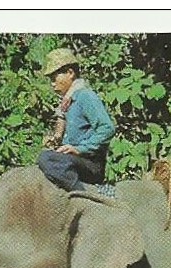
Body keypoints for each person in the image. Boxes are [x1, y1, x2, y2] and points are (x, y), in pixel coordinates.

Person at [37, 48, 116, 193]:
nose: (52, 84)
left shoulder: (85, 96)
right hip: (74, 162)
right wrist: (56, 139)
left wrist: (80, 149)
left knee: (46, 158)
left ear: (70, 73)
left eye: (54, 78)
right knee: (47, 156)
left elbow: (107, 128)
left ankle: (83, 193)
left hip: (90, 164)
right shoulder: (67, 102)